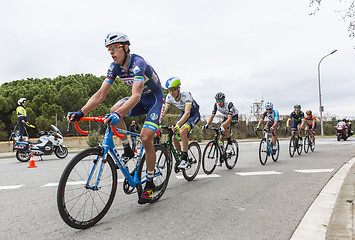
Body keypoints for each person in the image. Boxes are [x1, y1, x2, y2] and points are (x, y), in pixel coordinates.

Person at [67, 32, 165, 204]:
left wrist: (118, 115)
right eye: (108, 49)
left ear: (126, 48)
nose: (111, 52)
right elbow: (100, 94)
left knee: (145, 137)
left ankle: (149, 182)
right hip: (140, 99)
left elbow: (135, 96)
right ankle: (127, 148)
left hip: (154, 99)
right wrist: (81, 112)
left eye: (114, 48)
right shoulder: (115, 67)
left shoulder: (138, 63)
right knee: (114, 108)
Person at [161, 77, 201, 168]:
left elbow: (187, 113)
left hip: (193, 114)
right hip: (184, 114)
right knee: (173, 135)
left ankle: (184, 157)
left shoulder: (186, 95)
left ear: (179, 88)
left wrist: (178, 125)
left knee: (182, 130)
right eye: (169, 90)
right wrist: (156, 121)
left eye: (173, 89)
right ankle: (179, 154)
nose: (171, 92)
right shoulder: (169, 97)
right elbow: (163, 112)